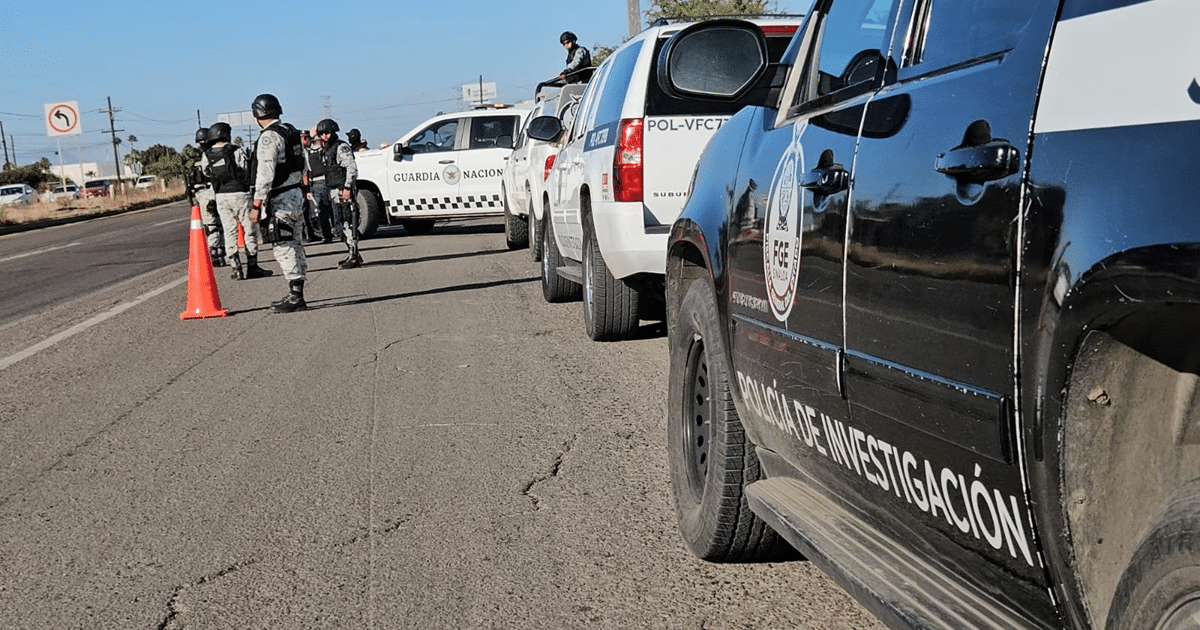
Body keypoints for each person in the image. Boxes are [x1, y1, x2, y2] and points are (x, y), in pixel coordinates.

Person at [249, 93, 309, 313]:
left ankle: (295, 297)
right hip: (295, 194)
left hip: (281, 197)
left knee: (283, 246)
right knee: (296, 242)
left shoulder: (268, 138)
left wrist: (256, 205)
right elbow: (303, 163)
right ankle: (297, 292)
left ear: (257, 114)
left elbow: (264, 174)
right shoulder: (290, 132)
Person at [201, 122, 272, 280]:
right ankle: (252, 266)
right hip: (240, 193)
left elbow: (206, 172)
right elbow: (245, 168)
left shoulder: (207, 154)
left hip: (220, 195)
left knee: (229, 231)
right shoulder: (235, 150)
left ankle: (236, 268)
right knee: (249, 230)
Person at [316, 118, 363, 269]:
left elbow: (351, 168)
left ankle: (354, 255)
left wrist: (348, 187)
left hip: (343, 189)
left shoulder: (341, 147)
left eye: (327, 132)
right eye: (322, 133)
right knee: (340, 224)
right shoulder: (326, 149)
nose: (325, 136)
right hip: (334, 191)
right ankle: (352, 253)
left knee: (348, 222)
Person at [188, 127, 225, 267]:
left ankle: (216, 252)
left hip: (208, 193)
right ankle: (220, 250)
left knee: (212, 225)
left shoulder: (208, 155)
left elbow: (207, 172)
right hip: (212, 192)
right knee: (217, 224)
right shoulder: (216, 152)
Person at [302, 128, 334, 243]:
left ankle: (328, 235)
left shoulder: (307, 153)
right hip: (326, 181)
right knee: (332, 209)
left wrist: (307, 189)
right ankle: (338, 232)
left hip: (317, 183)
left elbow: (305, 172)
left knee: (323, 211)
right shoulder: (327, 149)